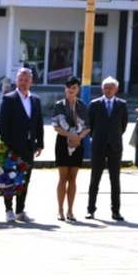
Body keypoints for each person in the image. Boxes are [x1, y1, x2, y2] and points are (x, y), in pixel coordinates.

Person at [0, 67, 44, 223]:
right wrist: (6, 146)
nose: (23, 83)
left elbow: (39, 123)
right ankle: (8, 210)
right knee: (10, 178)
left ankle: (20, 210)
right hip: (12, 147)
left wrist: (40, 143)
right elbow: (3, 125)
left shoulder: (35, 100)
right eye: (20, 80)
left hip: (29, 146)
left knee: (25, 179)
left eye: (26, 80)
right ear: (16, 81)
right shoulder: (9, 99)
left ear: (31, 82)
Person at [86, 76, 128, 222]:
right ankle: (91, 209)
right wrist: (99, 137)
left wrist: (113, 136)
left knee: (115, 180)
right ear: (102, 89)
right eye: (105, 87)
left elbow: (123, 126)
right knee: (95, 179)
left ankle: (115, 211)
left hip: (115, 147)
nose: (108, 90)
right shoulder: (95, 104)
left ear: (116, 89)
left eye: (111, 87)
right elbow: (90, 125)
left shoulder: (121, 105)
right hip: (98, 146)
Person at [52, 76, 89, 222]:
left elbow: (88, 127)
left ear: (78, 90)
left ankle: (70, 210)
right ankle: (60, 210)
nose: (70, 90)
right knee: (63, 177)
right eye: (68, 87)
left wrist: (78, 137)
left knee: (73, 178)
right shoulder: (59, 105)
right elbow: (55, 126)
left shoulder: (83, 106)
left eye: (74, 88)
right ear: (64, 89)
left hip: (78, 143)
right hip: (62, 141)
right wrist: (70, 135)